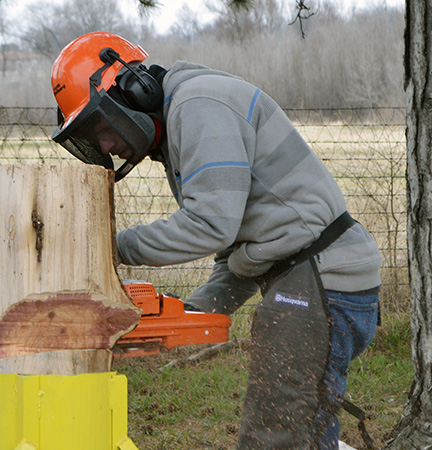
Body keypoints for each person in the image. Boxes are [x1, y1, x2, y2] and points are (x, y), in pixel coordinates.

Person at [50, 32, 381, 450]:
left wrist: (106, 245)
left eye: (102, 127)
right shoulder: (183, 119)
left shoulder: (198, 105)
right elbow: (240, 247)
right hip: (310, 278)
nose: (107, 146)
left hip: (321, 281)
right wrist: (193, 312)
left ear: (133, 89)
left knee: (277, 434)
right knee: (298, 425)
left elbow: (210, 225)